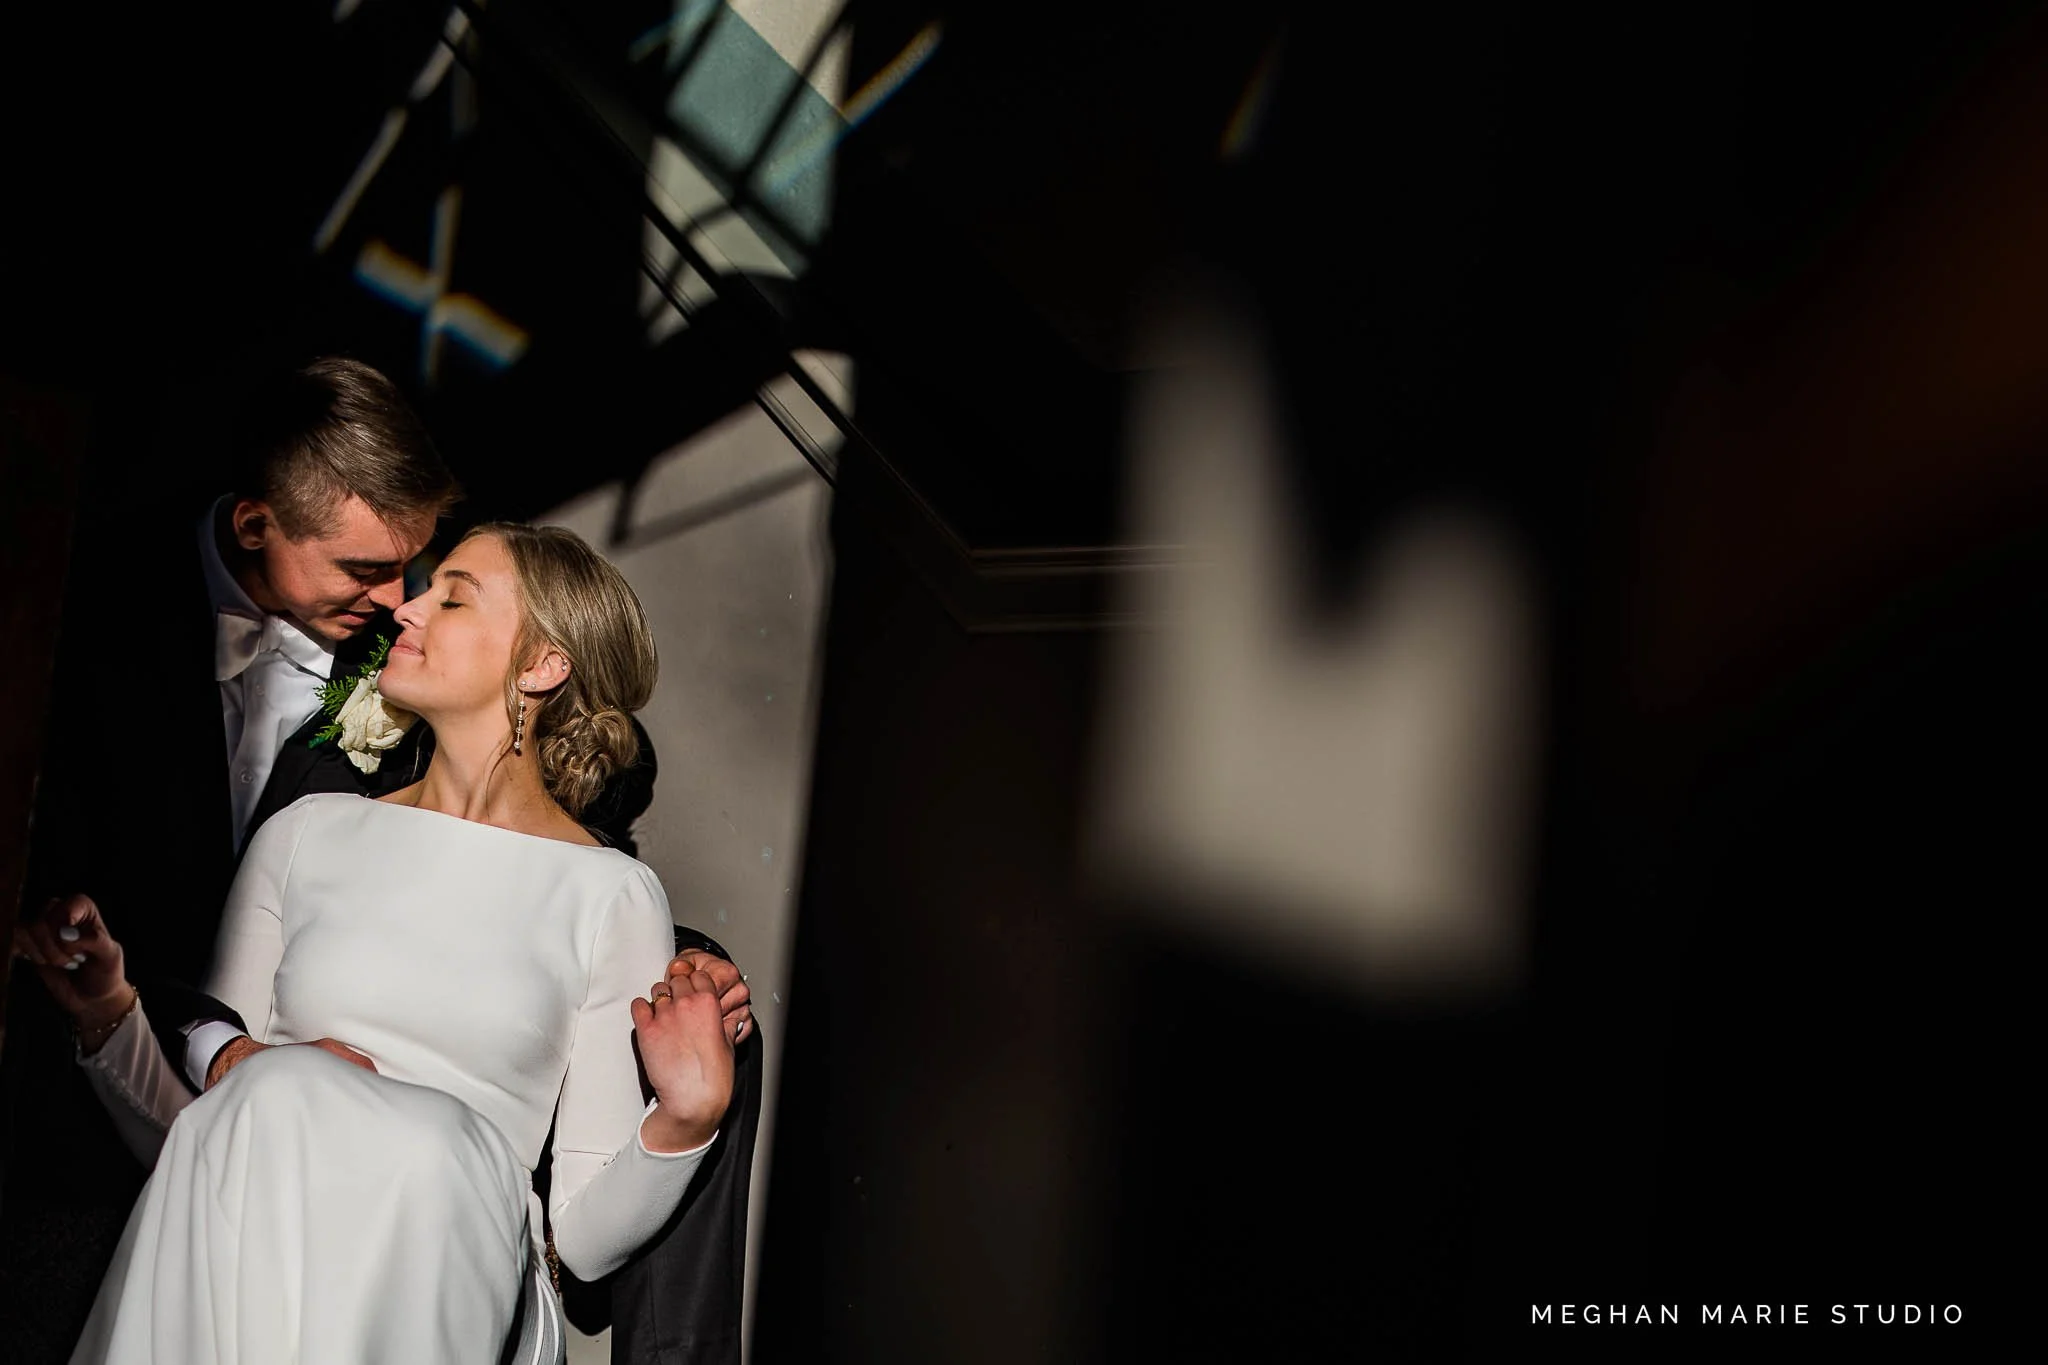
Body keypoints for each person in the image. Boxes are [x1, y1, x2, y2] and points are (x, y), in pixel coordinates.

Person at [1, 358, 749, 1360]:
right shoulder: (304, 830)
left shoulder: (610, 892)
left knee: (407, 1138)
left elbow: (577, 1236)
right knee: (266, 1096)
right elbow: (204, 1129)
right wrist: (110, 1014)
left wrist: (688, 1114)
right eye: (391, 581)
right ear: (257, 526)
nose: (402, 605)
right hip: (242, 1237)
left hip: (444, 1239)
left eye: (448, 595)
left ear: (542, 665)